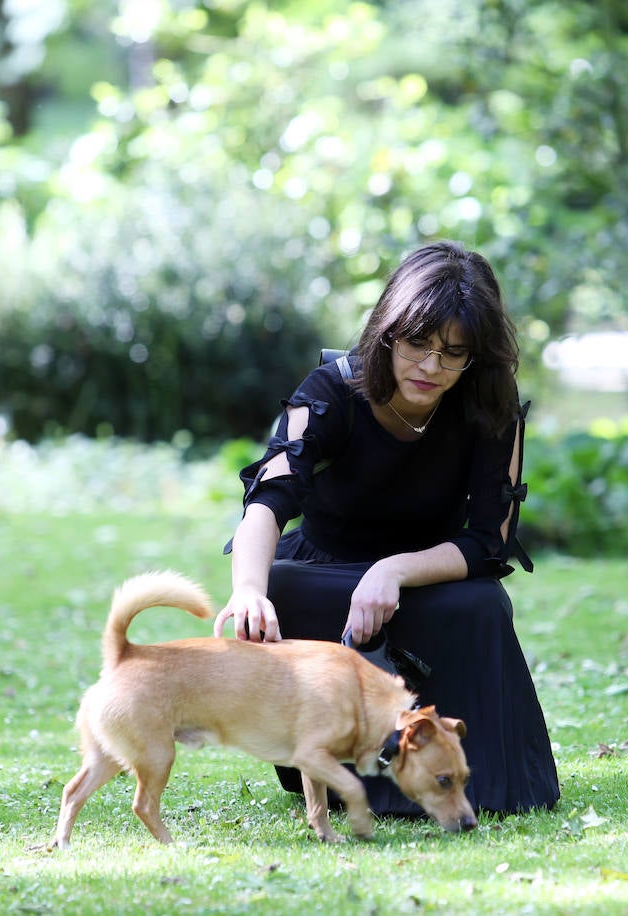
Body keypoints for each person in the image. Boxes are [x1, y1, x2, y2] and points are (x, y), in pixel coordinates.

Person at [215, 239, 560, 817]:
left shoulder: (490, 407)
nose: (430, 367)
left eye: (454, 353)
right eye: (418, 344)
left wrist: (393, 571)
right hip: (327, 574)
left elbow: (488, 542)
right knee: (278, 586)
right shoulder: (329, 390)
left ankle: (473, 781)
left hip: (430, 579)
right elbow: (269, 499)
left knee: (482, 605)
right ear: (388, 331)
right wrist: (247, 589)